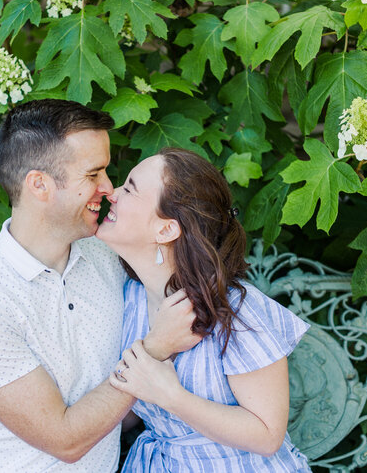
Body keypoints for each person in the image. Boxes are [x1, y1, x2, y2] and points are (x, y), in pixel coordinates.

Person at [0, 100, 200, 472]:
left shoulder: (107, 255)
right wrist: (156, 348)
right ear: (40, 185)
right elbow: (66, 441)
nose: (109, 188)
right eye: (93, 174)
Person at [96, 147, 312, 472]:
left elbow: (267, 436)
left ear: (166, 230)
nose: (112, 193)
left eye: (130, 188)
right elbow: (125, 412)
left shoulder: (233, 310)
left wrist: (172, 396)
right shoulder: (129, 300)